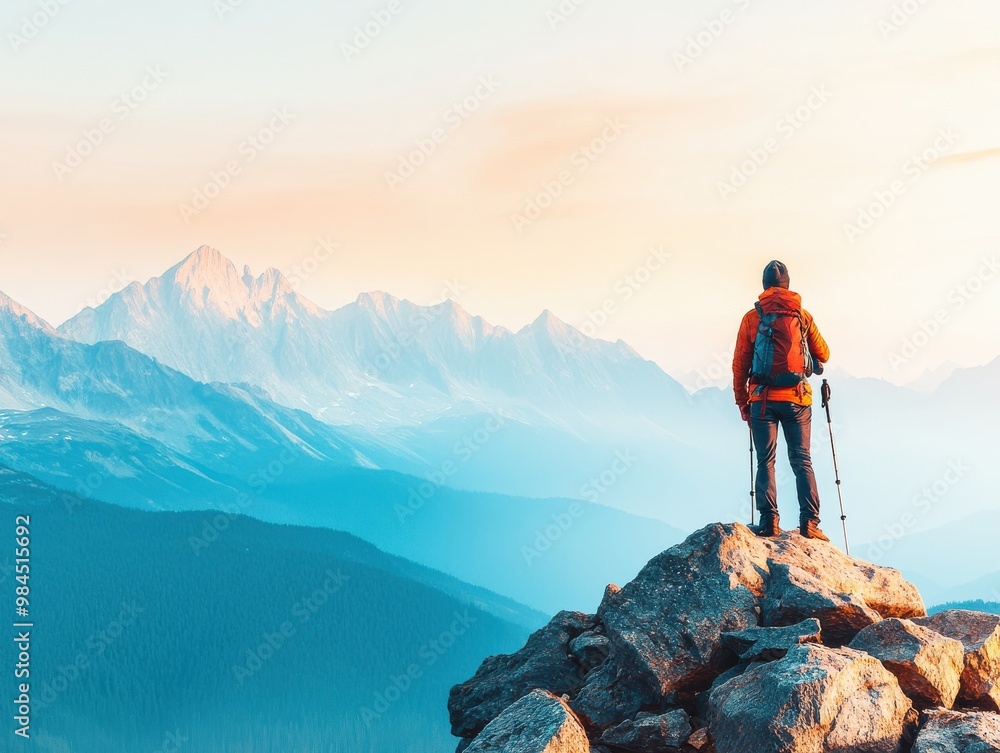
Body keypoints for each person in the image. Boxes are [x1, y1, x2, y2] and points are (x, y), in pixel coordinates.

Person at [732, 260, 831, 540]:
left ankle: (769, 522)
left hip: (761, 400)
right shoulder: (802, 315)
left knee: (766, 461)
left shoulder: (753, 318)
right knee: (802, 460)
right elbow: (823, 354)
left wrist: (743, 402)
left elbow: (739, 364)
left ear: (764, 286)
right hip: (797, 400)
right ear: (788, 285)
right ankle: (809, 523)